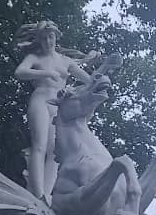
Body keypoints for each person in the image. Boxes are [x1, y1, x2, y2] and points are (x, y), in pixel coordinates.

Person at [14, 21, 98, 201]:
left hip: (58, 104)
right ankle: (37, 195)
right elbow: (20, 72)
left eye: (50, 37)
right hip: (41, 99)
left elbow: (89, 81)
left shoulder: (65, 61)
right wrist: (45, 74)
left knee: (55, 151)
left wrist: (104, 70)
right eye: (43, 38)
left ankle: (46, 193)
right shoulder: (35, 58)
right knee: (39, 145)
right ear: (39, 40)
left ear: (56, 36)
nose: (47, 41)